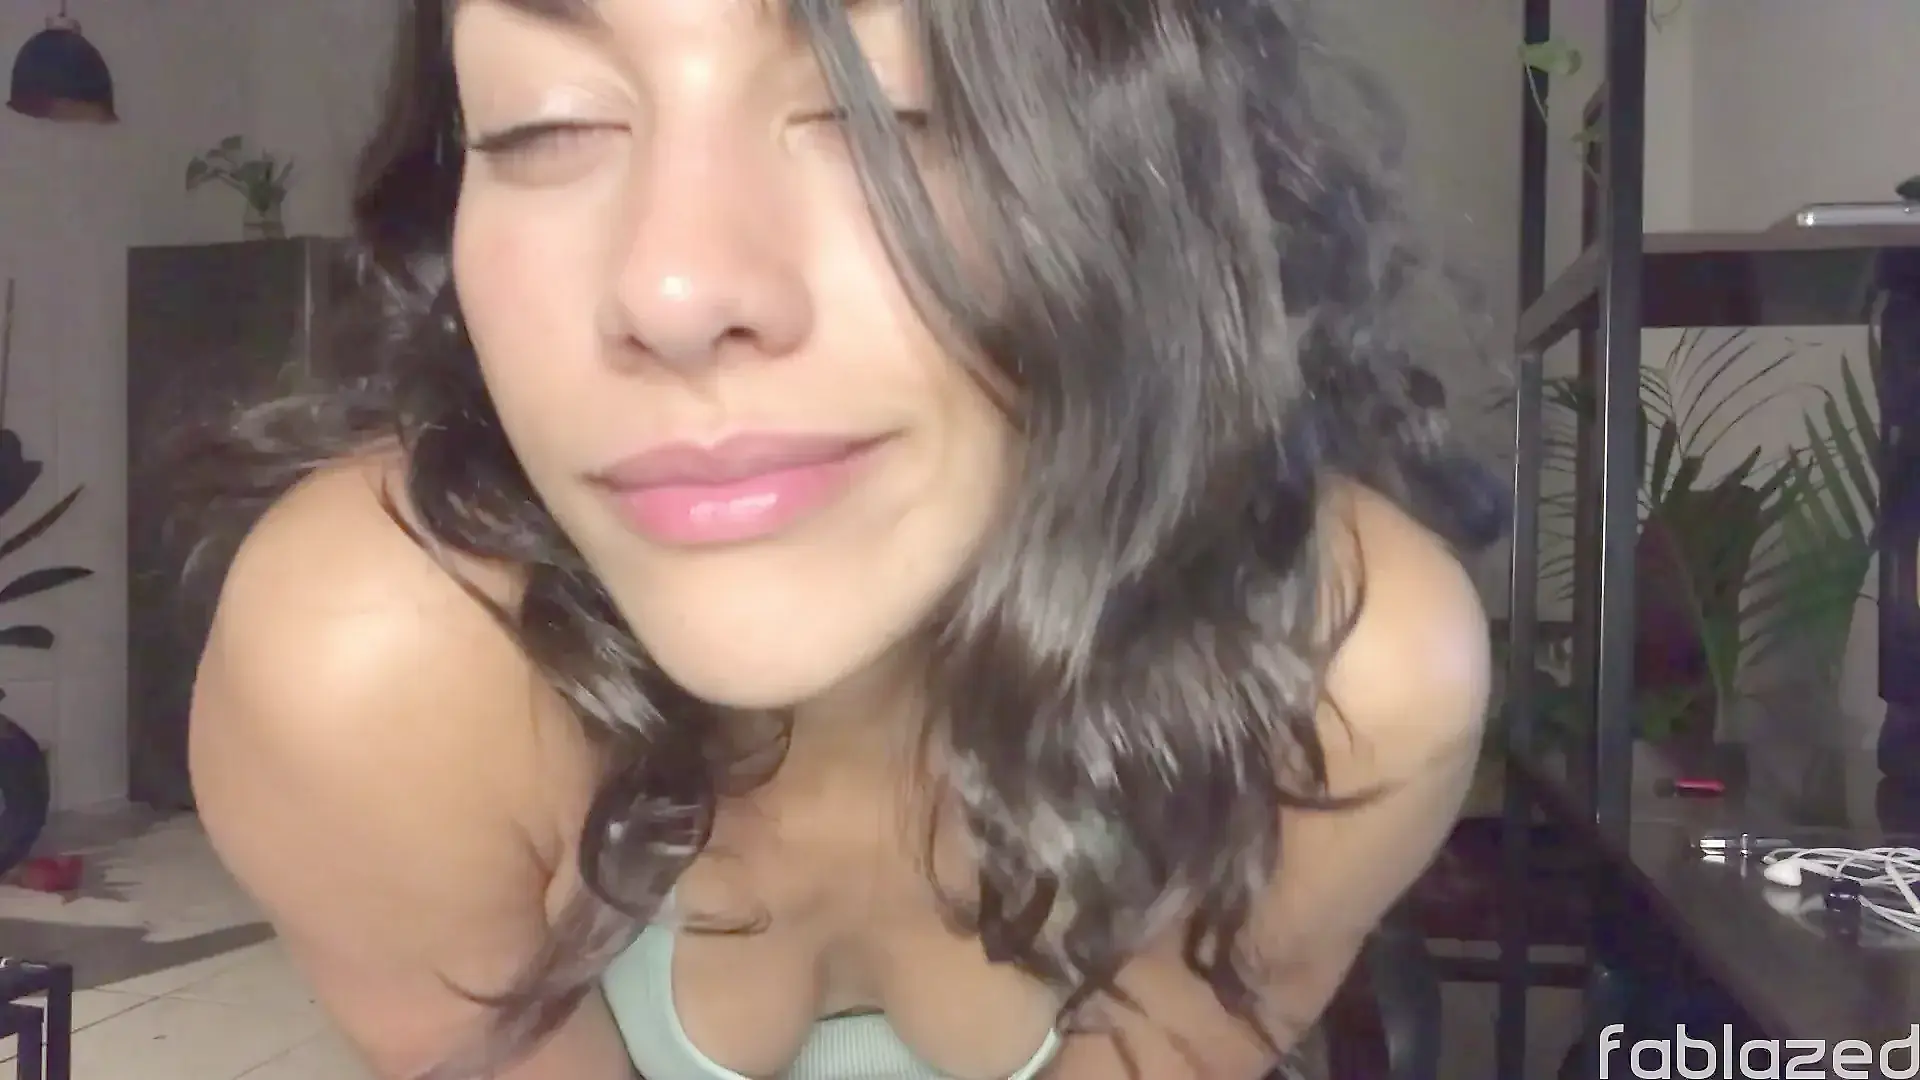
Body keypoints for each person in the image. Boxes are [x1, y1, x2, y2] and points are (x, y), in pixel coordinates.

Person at [185, 1, 1506, 1078]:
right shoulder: (369, 664)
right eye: (546, 121)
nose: (673, 288)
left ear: (1146, 172)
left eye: (886, 104)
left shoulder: (1340, 678)